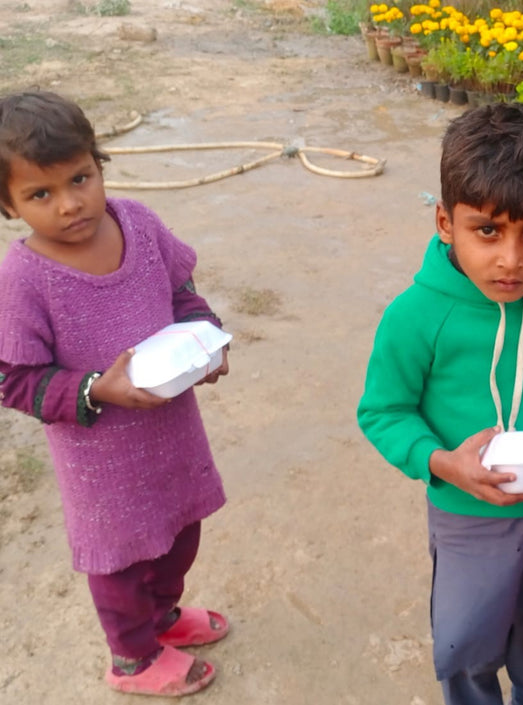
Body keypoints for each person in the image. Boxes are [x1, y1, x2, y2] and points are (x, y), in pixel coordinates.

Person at [357, 102, 523, 705]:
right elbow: (383, 412)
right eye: (488, 230)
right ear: (444, 223)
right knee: (466, 646)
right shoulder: (416, 315)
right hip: (466, 517)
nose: (512, 259)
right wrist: (440, 461)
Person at [0, 91, 230, 697]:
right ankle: (132, 657)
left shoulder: (139, 224)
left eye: (80, 177)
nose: (71, 204)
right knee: (122, 562)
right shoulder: (22, 278)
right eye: (39, 194)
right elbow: (14, 379)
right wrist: (94, 389)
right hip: (101, 463)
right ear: (7, 203)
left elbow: (182, 293)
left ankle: (162, 620)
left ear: (100, 164)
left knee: (180, 536)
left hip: (171, 434)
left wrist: (206, 339)